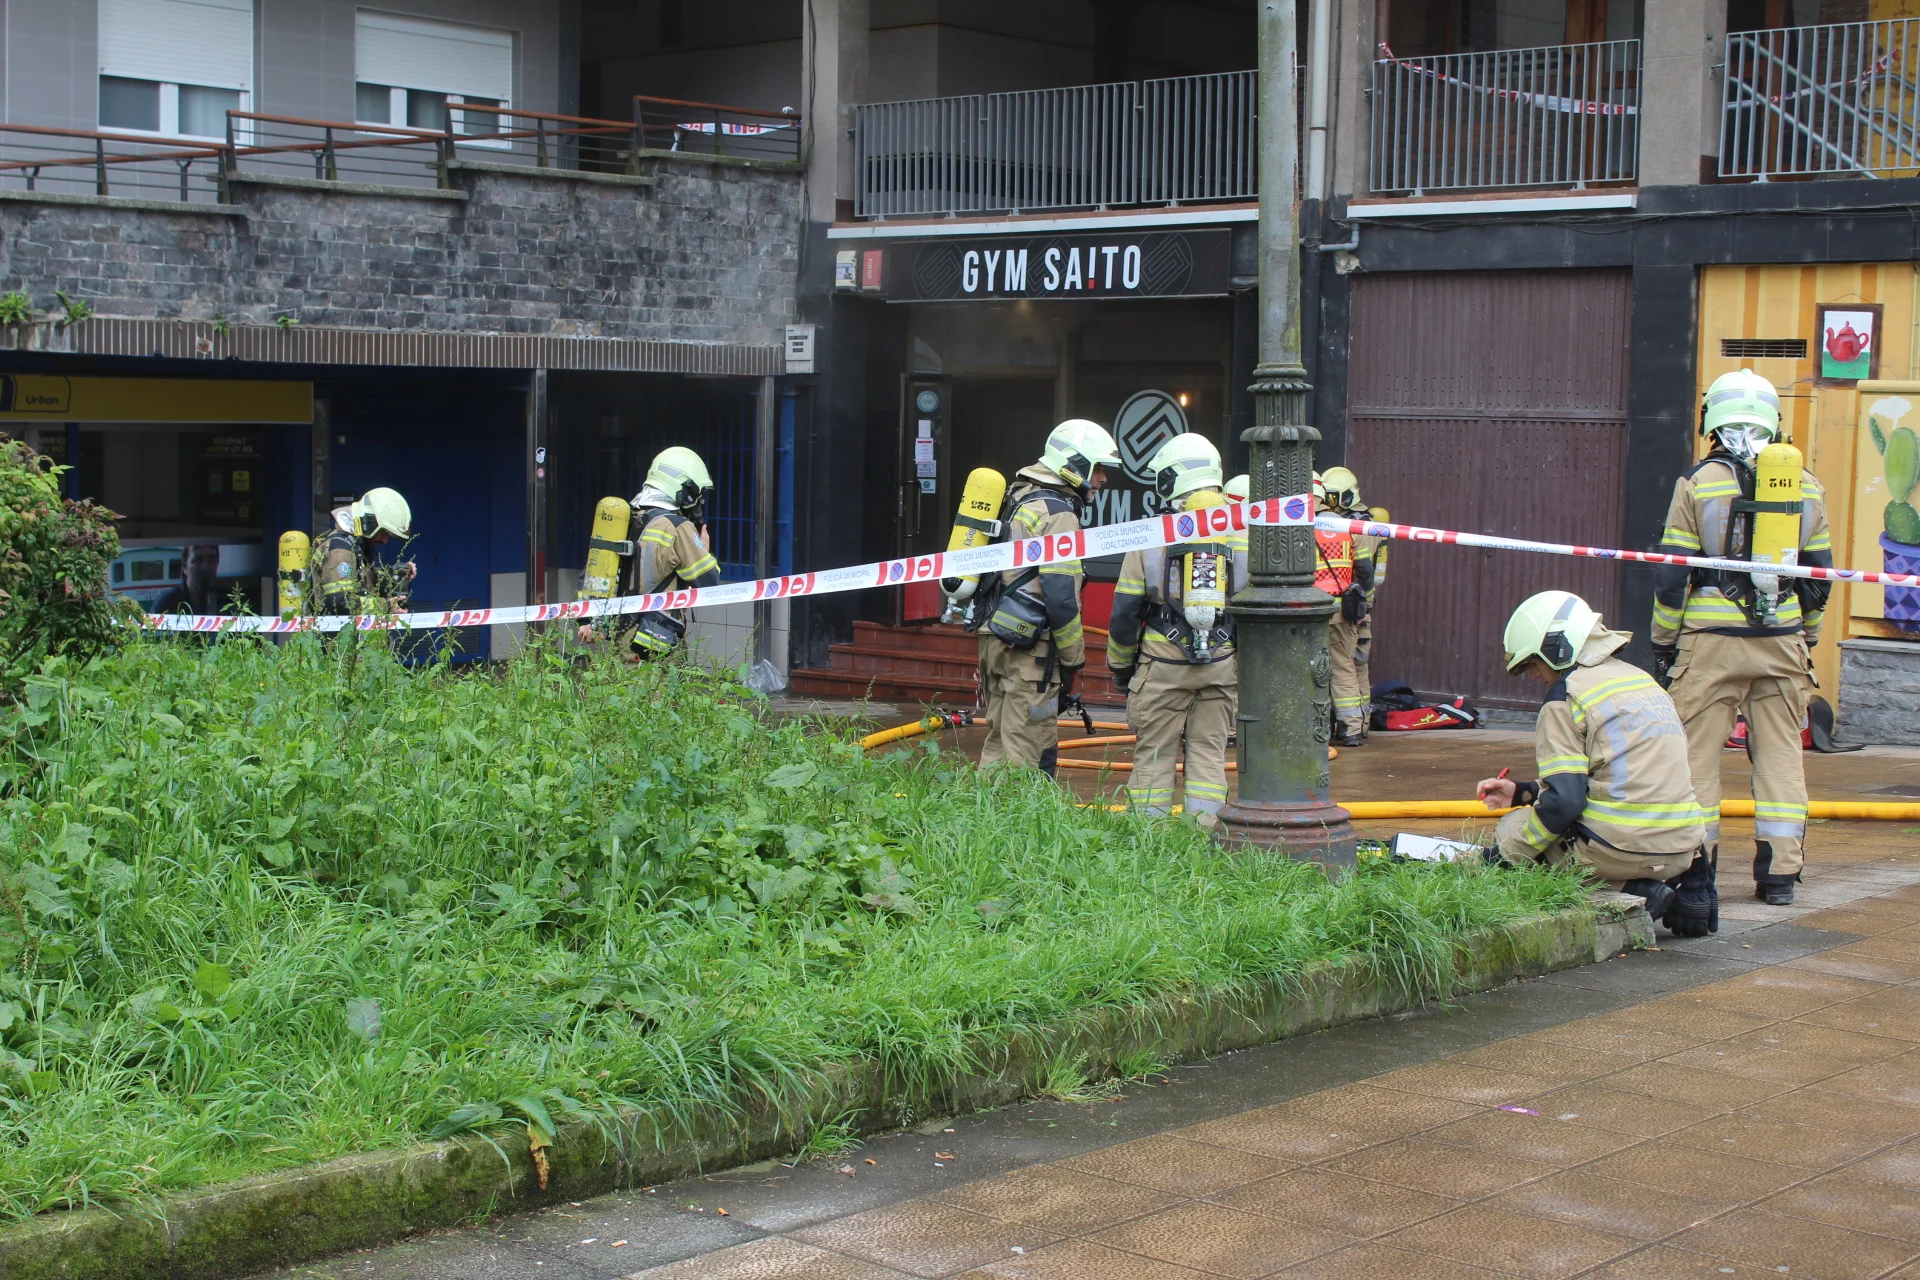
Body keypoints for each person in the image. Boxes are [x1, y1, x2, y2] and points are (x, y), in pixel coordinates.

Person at [1651, 369, 1831, 907]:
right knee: (1781, 757)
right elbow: (1818, 579)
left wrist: (1663, 643)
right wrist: (1806, 638)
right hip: (1783, 642)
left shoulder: (1698, 483)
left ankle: (1695, 874)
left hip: (1711, 645)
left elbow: (1672, 575)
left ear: (1712, 419)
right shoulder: (1808, 486)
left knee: (1695, 759)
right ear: (1774, 421)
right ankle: (1780, 876)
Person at [1477, 590, 1717, 935]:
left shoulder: (1566, 696)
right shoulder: (1644, 681)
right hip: (1683, 848)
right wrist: (1522, 791)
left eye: (1532, 663)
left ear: (1556, 649)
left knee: (1514, 828)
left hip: (1618, 851)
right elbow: (1632, 776)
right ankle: (1683, 891)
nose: (1533, 676)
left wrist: (1501, 858)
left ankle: (1633, 891)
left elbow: (1564, 804)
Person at [1107, 433, 1247, 824]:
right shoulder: (1246, 531)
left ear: (1173, 478)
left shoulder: (1150, 534)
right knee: (1209, 756)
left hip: (1162, 665)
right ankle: (1204, 836)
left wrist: (1121, 668)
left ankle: (1145, 839)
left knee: (1153, 755)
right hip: (1221, 665)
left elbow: (1125, 611)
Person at [976, 419, 1118, 774]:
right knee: (1029, 749)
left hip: (995, 638)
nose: (1103, 478)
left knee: (999, 743)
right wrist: (1073, 660)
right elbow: (1061, 596)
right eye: (1098, 468)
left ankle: (982, 809)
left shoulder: (1020, 496)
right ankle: (1022, 812)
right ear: (1074, 464)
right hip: (1030, 653)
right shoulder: (1059, 515)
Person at [577, 446, 721, 658]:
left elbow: (594, 570)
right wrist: (705, 551)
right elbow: (709, 584)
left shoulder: (624, 518)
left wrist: (586, 619)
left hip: (621, 633)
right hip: (655, 639)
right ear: (684, 488)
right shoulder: (677, 526)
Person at [1314, 466, 1377, 747]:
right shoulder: (1348, 526)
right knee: (1344, 668)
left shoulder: (1301, 527)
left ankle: (1319, 728)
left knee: (1313, 671)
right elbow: (1365, 571)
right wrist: (1364, 605)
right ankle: (1352, 729)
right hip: (1344, 612)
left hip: (1312, 612)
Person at [313, 487, 415, 616]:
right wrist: (386, 605)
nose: (385, 541)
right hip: (333, 629)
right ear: (371, 524)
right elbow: (340, 603)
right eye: (384, 533)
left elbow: (364, 583)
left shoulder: (354, 547)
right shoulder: (340, 551)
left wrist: (396, 575)